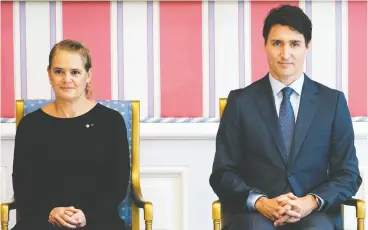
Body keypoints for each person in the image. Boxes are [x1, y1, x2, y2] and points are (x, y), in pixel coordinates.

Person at [209, 4, 362, 230]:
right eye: (277, 43)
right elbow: (223, 173)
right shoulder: (240, 102)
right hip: (255, 214)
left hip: (314, 212)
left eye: (294, 44)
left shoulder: (333, 102)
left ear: (307, 46)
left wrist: (310, 202)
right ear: (265, 45)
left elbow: (348, 174)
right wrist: (259, 202)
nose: (285, 54)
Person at [11, 39, 130, 230]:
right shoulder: (31, 125)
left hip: (98, 220)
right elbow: (23, 185)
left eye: (75, 72)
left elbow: (117, 184)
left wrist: (86, 214)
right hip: (42, 220)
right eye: (59, 71)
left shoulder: (111, 121)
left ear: (88, 75)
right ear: (49, 74)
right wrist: (50, 212)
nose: (67, 79)